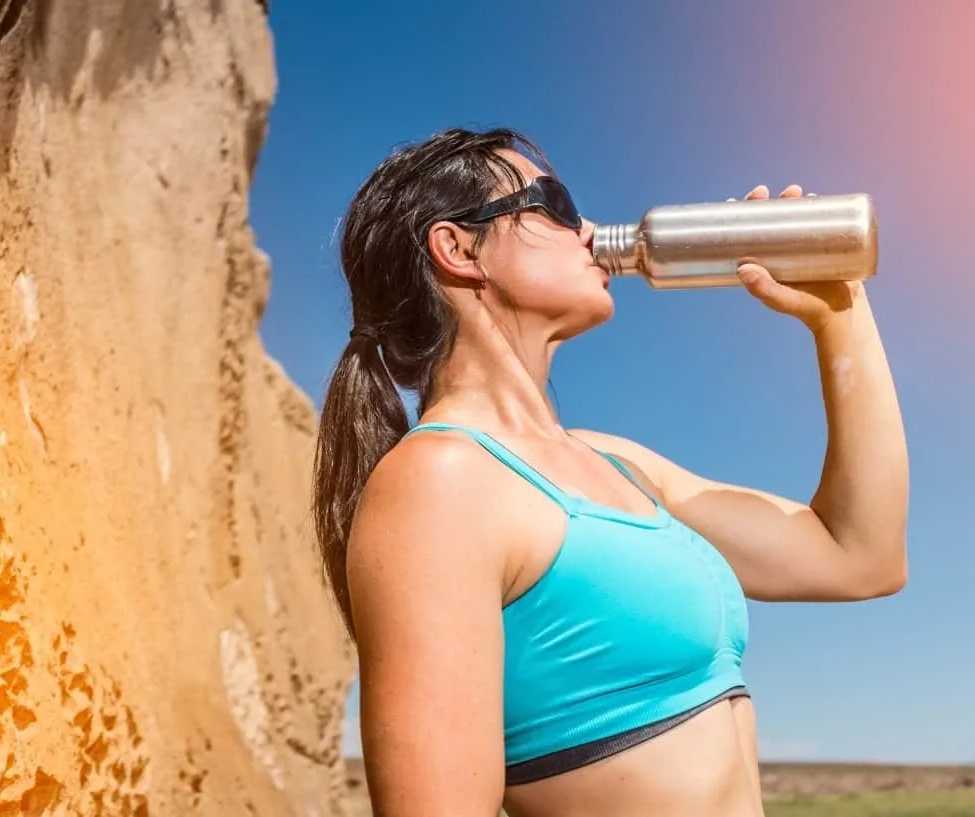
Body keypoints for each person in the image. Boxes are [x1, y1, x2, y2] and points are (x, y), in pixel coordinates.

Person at [311, 127, 908, 817]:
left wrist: (839, 311)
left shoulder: (618, 464)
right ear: (459, 248)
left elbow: (860, 555)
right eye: (555, 204)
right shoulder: (439, 482)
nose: (589, 229)